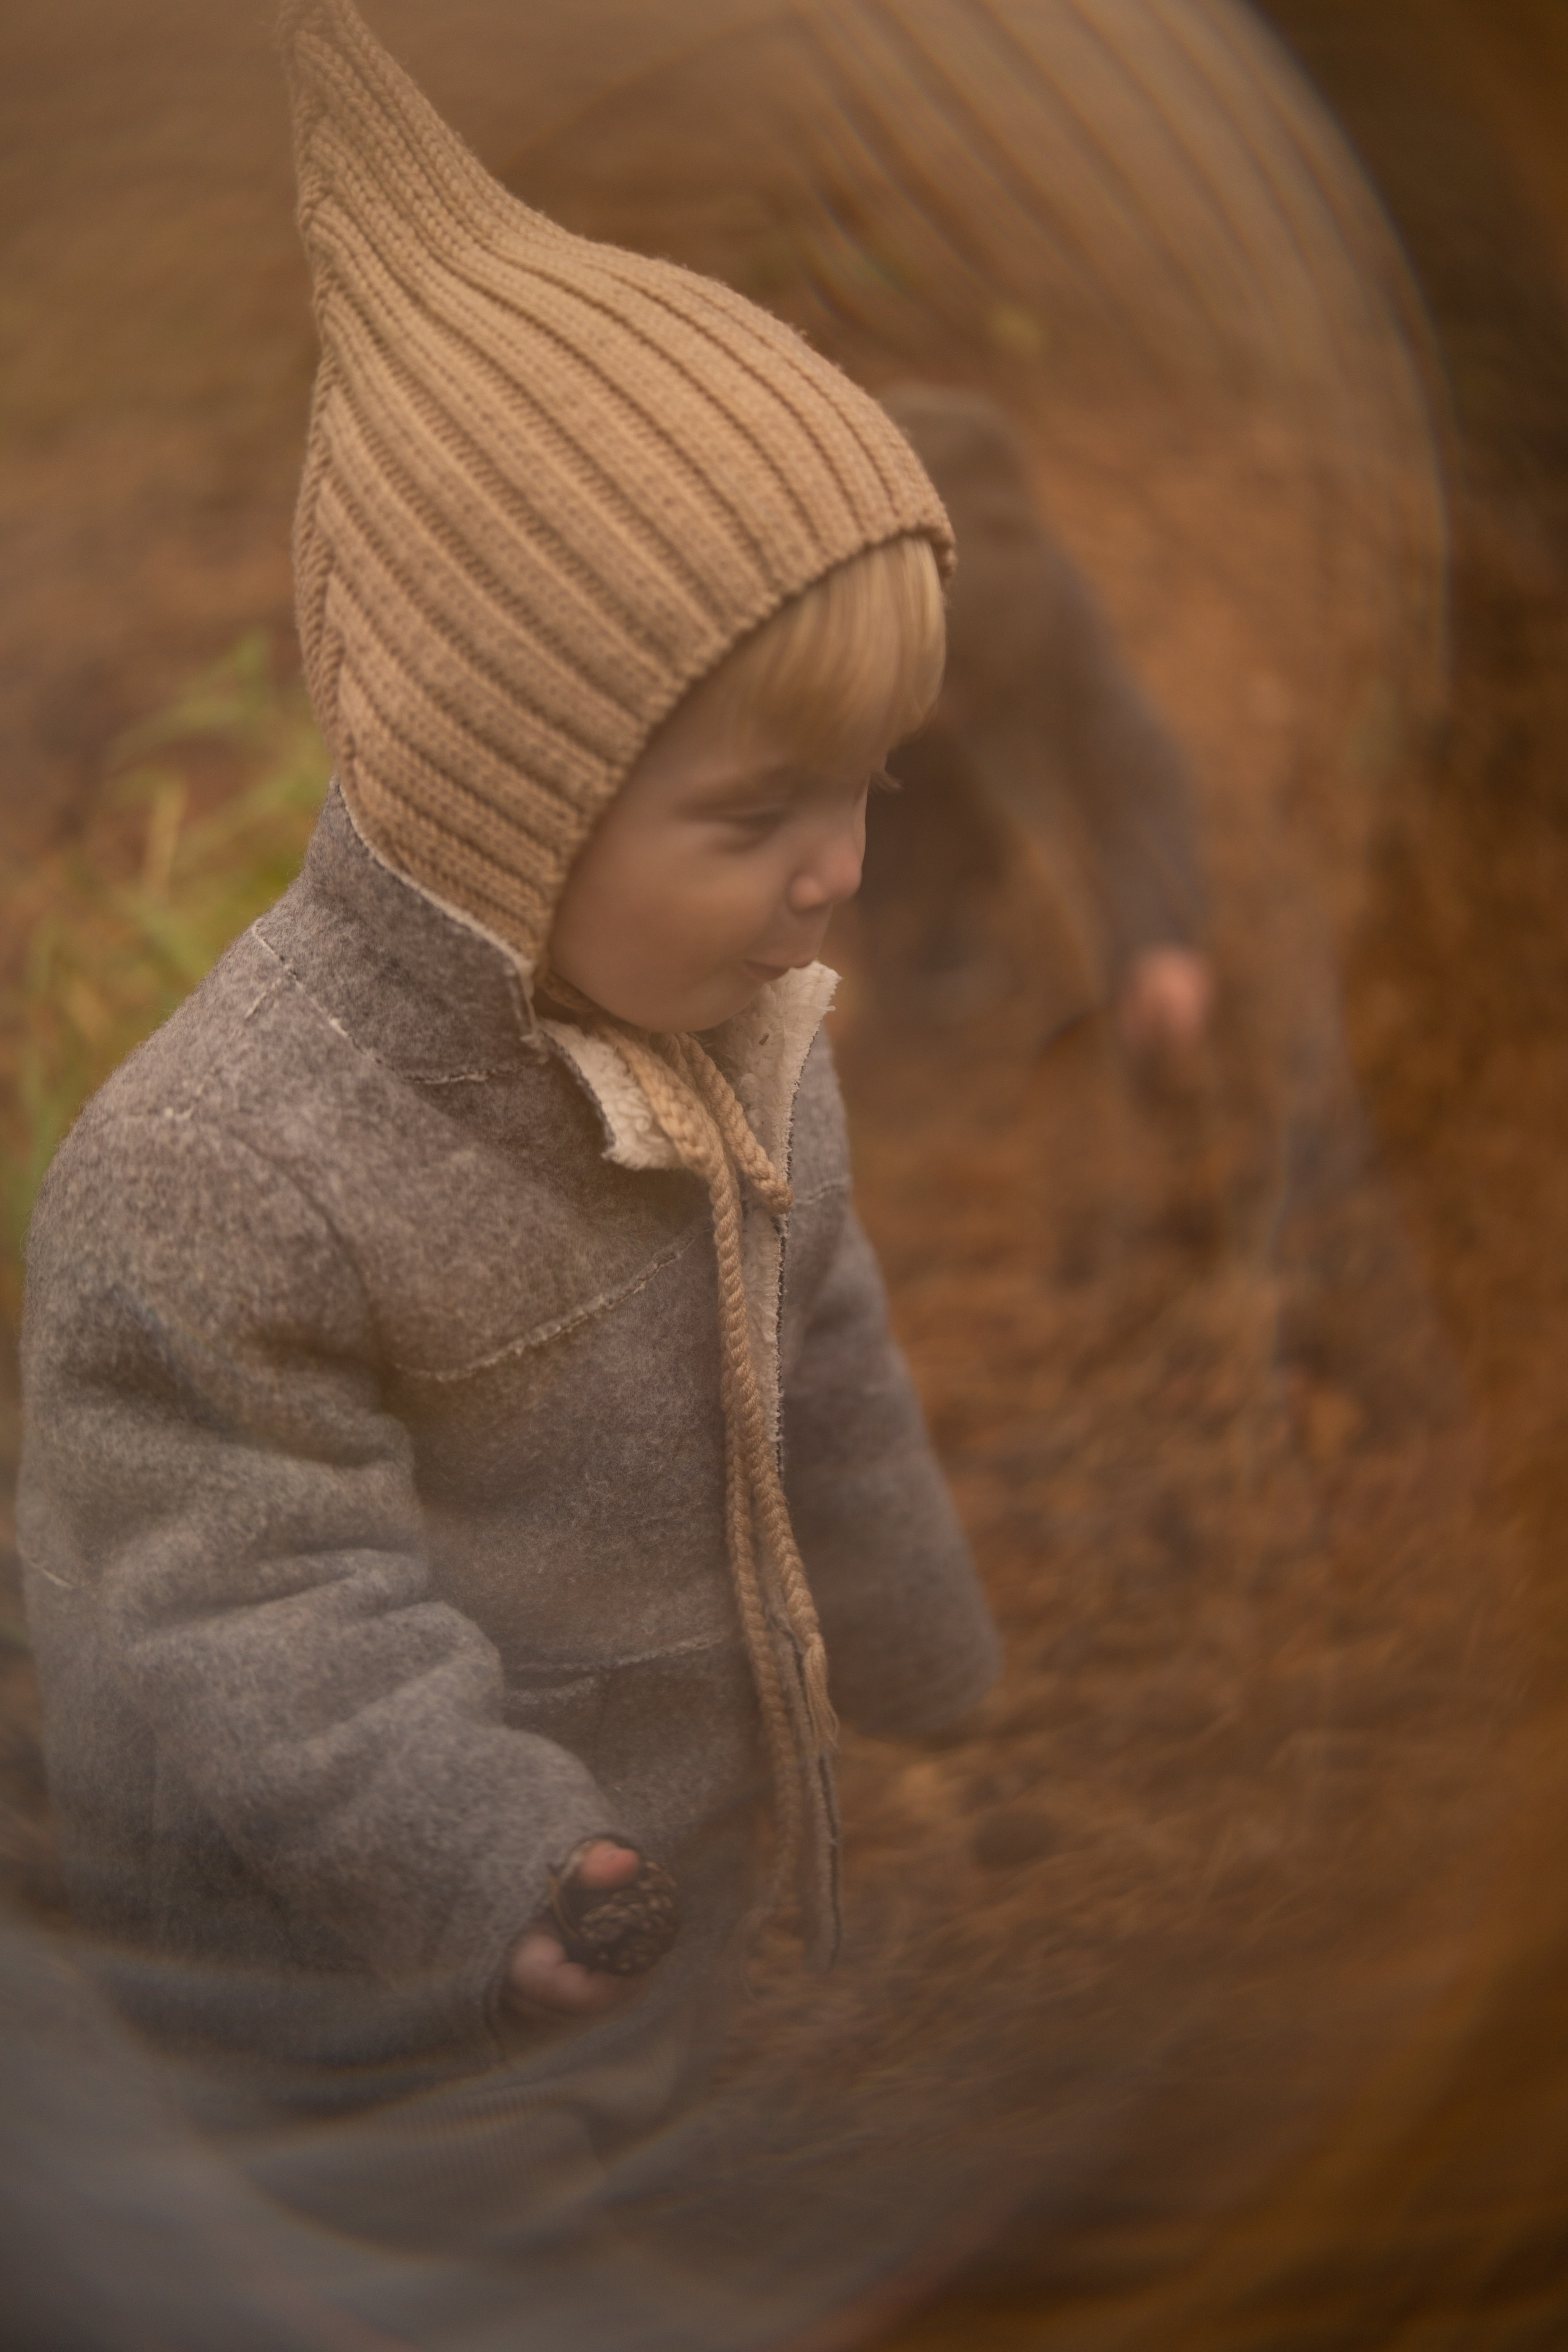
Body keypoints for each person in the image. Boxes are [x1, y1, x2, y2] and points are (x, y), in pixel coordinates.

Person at [15, 0, 998, 2218]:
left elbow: (817, 1347)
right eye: (758, 811)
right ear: (500, 792)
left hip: (643, 1899)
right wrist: (503, 1861)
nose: (837, 871)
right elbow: (243, 1600)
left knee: (635, 2170)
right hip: (339, 2014)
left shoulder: (739, 1037)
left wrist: (910, 1624)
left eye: (867, 786)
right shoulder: (219, 1170)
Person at [864, 384, 1215, 1060]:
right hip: (842, 736)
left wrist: (1159, 938)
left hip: (936, 779)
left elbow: (1131, 762)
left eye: (960, 679)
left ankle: (939, 922)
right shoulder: (786, 605)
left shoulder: (1038, 598)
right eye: (931, 676)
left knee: (972, 782)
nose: (941, 707)